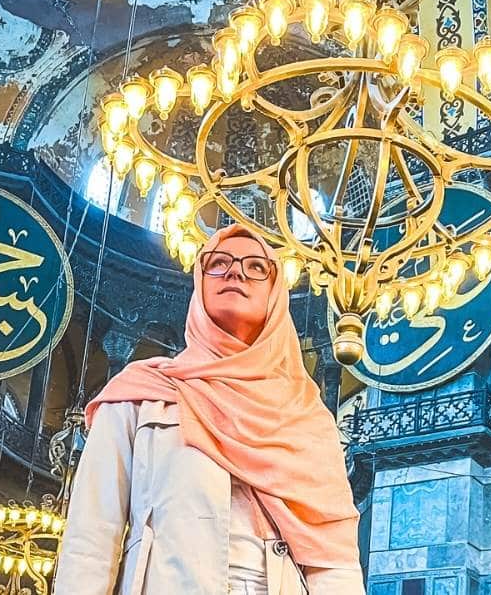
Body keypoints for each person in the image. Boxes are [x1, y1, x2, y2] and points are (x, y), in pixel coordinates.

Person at [54, 225, 365, 594]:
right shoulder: (139, 396)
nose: (235, 272)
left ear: (274, 292)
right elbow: (91, 538)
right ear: (200, 285)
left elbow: (334, 563)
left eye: (256, 267)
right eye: (219, 263)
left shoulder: (308, 418)